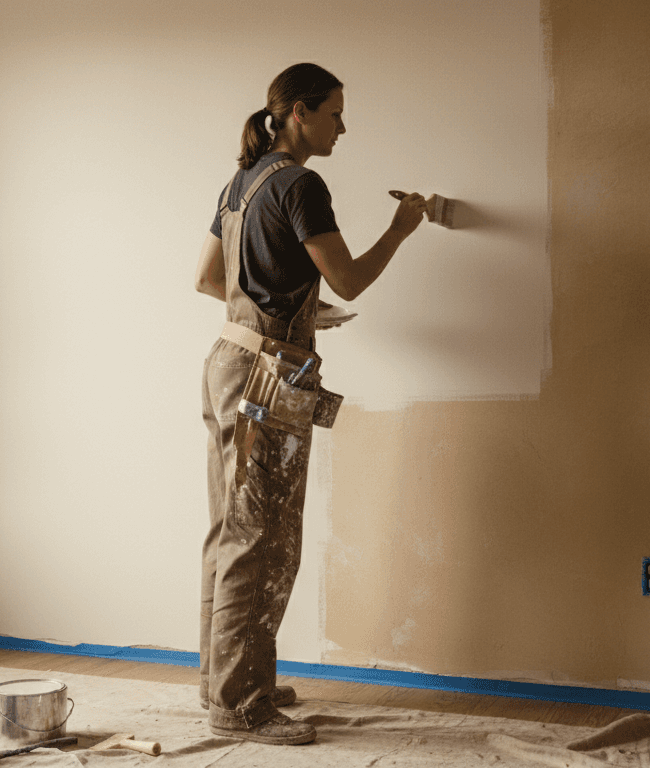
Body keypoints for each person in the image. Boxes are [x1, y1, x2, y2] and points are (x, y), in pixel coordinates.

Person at [194, 62, 428, 745]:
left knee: (231, 532)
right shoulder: (302, 183)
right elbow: (351, 278)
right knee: (259, 540)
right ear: (299, 111)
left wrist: (296, 311)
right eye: (334, 114)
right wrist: (402, 226)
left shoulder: (243, 182)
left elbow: (210, 279)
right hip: (266, 380)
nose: (342, 126)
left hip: (230, 364)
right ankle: (238, 704)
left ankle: (231, 677)